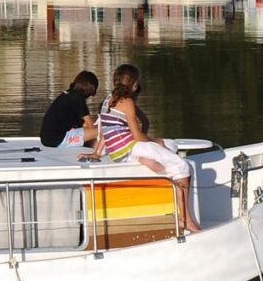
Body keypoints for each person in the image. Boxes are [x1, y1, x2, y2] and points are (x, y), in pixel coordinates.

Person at [95, 63, 197, 229]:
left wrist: (96, 153)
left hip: (117, 152)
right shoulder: (126, 101)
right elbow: (137, 136)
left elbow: (106, 130)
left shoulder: (108, 99)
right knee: (181, 165)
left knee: (167, 151)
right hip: (128, 147)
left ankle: (147, 161)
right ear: (134, 85)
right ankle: (186, 219)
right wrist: (154, 142)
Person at [38, 70, 98, 149]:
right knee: (101, 131)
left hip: (47, 139)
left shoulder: (68, 94)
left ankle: (91, 148)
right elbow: (91, 126)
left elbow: (84, 124)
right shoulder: (77, 98)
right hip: (57, 140)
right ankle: (99, 152)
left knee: (90, 130)